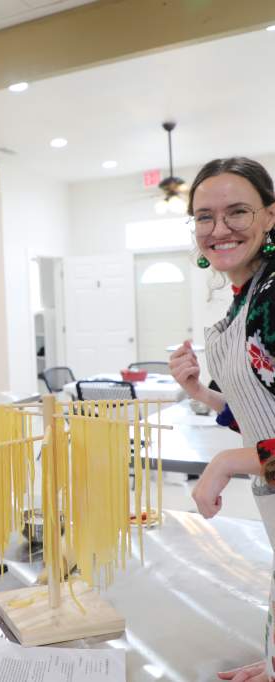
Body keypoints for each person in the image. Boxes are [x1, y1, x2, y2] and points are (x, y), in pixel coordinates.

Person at [168, 157, 275, 682]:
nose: (219, 229)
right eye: (204, 217)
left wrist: (229, 462)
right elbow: (265, 414)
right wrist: (203, 394)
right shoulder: (247, 297)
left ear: (271, 216)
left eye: (237, 212)